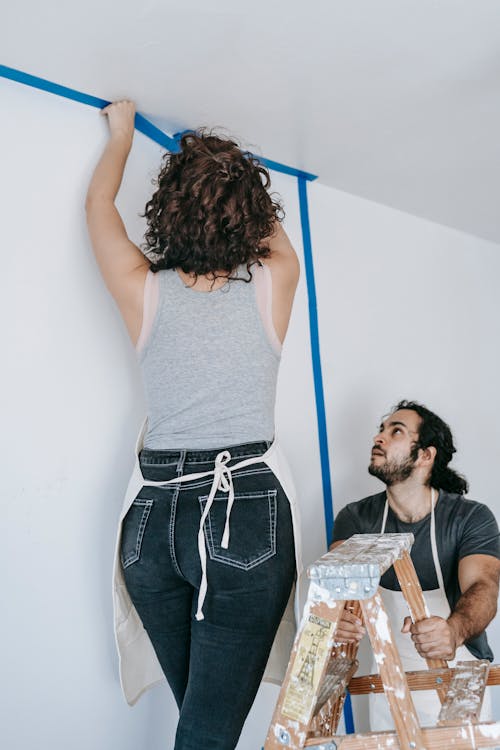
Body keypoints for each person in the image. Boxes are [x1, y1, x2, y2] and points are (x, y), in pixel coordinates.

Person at [85, 100, 302, 750]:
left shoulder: (142, 288)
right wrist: (226, 172)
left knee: (201, 726)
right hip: (242, 513)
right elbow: (267, 226)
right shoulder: (274, 281)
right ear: (249, 210)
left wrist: (122, 134)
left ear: (166, 213)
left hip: (150, 524)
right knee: (207, 732)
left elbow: (99, 209)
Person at [331, 399, 500, 729]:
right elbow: (337, 593)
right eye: (380, 430)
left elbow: (484, 588)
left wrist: (452, 631)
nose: (379, 438)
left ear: (425, 455)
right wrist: (337, 620)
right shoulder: (354, 519)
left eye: (396, 431)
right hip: (388, 681)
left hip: (461, 674)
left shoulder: (471, 518)